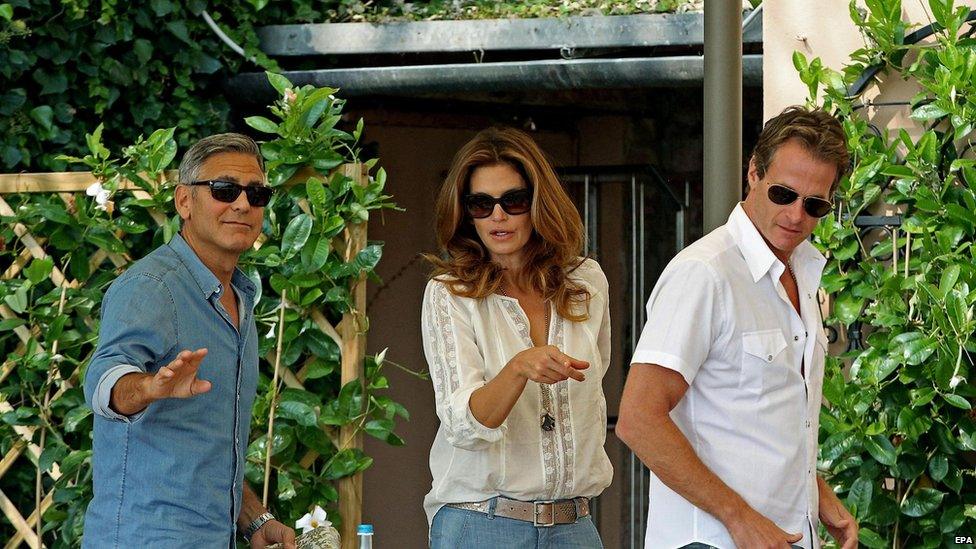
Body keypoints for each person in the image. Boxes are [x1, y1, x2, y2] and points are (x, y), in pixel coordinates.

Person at [617, 106, 859, 549]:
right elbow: (638, 419)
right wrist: (738, 516)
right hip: (710, 539)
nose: (796, 215)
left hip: (788, 534)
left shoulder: (802, 273)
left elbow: (761, 421)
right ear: (753, 173)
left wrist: (816, 494)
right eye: (784, 194)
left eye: (815, 204)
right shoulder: (704, 273)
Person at [82, 133, 296, 548]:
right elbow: (103, 380)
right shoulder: (152, 286)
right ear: (184, 202)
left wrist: (255, 520)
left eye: (256, 193)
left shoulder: (240, 296)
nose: (242, 204)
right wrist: (147, 386)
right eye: (224, 189)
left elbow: (208, 450)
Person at [421, 127, 612, 548]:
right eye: (481, 204)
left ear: (537, 203)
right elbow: (463, 425)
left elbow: (596, 389)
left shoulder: (586, 281)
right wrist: (518, 368)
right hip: (481, 524)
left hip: (574, 524)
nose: (498, 216)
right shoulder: (450, 293)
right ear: (466, 212)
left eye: (513, 200)